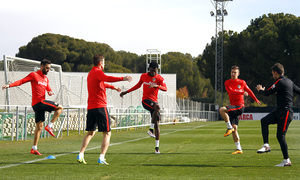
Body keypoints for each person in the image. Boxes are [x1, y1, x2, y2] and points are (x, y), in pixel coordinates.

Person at [76, 54, 132, 165]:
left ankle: (81, 154)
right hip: (100, 107)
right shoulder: (98, 72)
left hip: (91, 108)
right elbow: (107, 78)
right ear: (101, 63)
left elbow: (102, 83)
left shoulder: (91, 73)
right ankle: (101, 157)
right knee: (107, 133)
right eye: (104, 63)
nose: (104, 65)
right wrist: (123, 78)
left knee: (90, 133)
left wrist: (114, 87)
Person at [2, 59, 63, 155]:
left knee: (39, 127)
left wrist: (49, 91)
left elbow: (48, 87)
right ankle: (50, 126)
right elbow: (21, 81)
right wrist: (9, 85)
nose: (48, 70)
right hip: (39, 103)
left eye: (49, 68)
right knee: (60, 108)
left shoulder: (46, 79)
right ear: (42, 66)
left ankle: (34, 148)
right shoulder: (34, 75)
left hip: (38, 105)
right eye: (47, 68)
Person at [256, 63, 300, 167]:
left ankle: (287, 160)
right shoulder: (289, 81)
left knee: (280, 136)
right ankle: (266, 145)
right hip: (281, 111)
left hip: (286, 112)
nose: (272, 75)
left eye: (273, 73)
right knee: (264, 121)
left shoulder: (279, 82)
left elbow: (267, 93)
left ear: (276, 73)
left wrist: (261, 90)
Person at [120, 61, 167, 154]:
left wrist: (157, 85)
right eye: (152, 70)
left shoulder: (159, 78)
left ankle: (157, 148)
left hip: (154, 102)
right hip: (146, 101)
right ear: (149, 69)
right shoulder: (144, 76)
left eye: (155, 70)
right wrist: (126, 92)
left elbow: (165, 88)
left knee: (157, 123)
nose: (153, 72)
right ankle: (150, 129)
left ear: (157, 70)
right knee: (157, 107)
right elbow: (137, 86)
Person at [219, 65, 260, 154]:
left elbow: (249, 91)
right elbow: (231, 92)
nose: (233, 74)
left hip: (240, 106)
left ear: (238, 74)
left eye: (235, 72)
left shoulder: (242, 82)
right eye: (232, 72)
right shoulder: (227, 82)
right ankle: (239, 149)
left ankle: (228, 127)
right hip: (233, 107)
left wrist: (256, 99)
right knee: (235, 129)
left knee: (222, 109)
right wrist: (242, 92)